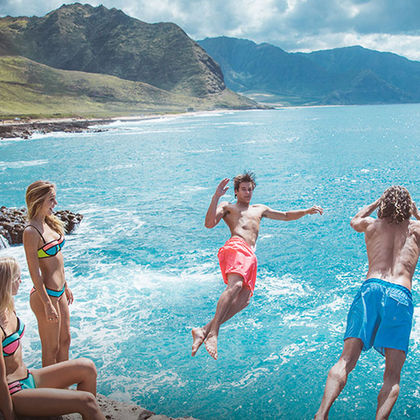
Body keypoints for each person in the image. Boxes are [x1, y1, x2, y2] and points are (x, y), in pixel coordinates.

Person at [191, 172, 323, 360]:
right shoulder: (227, 206)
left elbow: (285, 215)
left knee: (244, 300)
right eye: (243, 189)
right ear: (236, 192)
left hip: (250, 256)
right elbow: (209, 224)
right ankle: (213, 333)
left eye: (250, 189)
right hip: (236, 247)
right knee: (235, 286)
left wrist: (306, 211)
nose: (247, 192)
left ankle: (203, 329)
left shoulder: (259, 209)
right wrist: (216, 197)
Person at [315, 186, 420, 420]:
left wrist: (375, 203)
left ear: (383, 205)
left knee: (346, 360)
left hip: (370, 289)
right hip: (400, 294)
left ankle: (321, 415)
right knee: (392, 376)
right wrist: (417, 212)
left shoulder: (371, 225)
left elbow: (355, 219)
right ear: (408, 207)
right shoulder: (415, 229)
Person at [0, 256, 105, 419]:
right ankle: (89, 411)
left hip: (28, 378)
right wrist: (10, 416)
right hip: (14, 392)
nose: (20, 281)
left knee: (88, 367)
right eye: (17, 278)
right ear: (6, 283)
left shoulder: (8, 308)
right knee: (87, 401)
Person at [23, 180, 73, 366]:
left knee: (65, 341)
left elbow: (58, 261)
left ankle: (63, 390)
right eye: (51, 199)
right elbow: (34, 272)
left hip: (59, 292)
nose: (56, 203)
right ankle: (50, 393)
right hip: (46, 295)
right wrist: (47, 304)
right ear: (38, 201)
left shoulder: (49, 223)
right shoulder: (31, 231)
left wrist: (66, 286)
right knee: (50, 349)